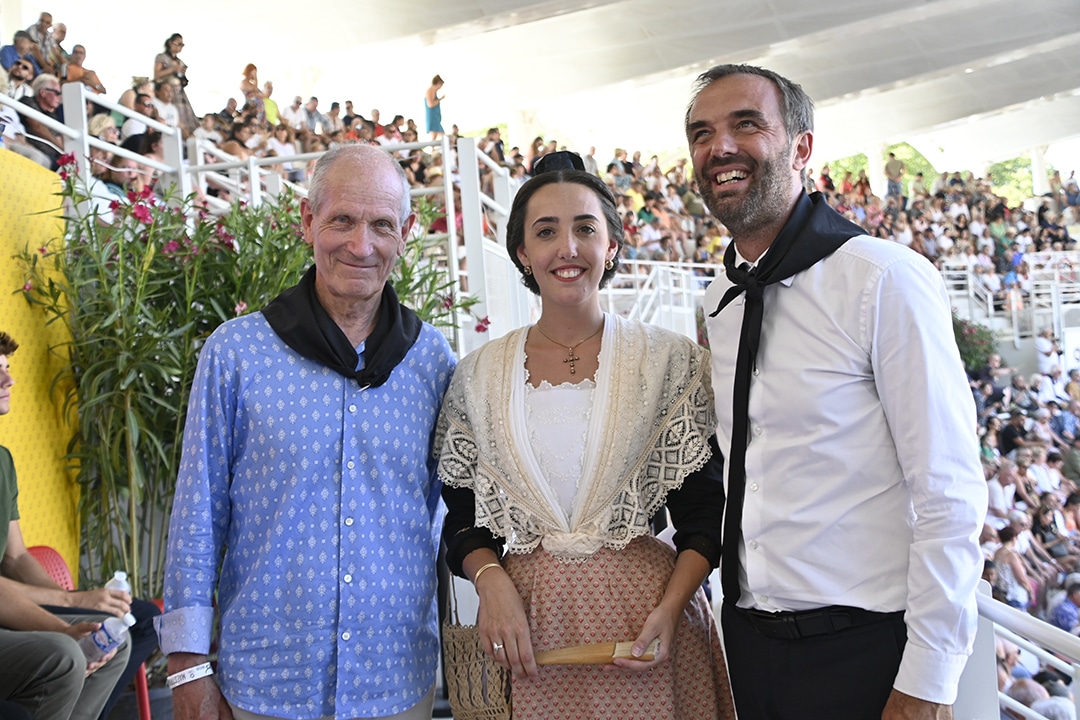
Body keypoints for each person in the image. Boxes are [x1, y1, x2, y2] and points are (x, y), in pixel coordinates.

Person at [687, 64, 986, 718]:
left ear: (801, 147)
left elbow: (949, 489)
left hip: (867, 652)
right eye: (701, 133)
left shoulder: (885, 281)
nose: (719, 148)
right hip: (750, 646)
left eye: (746, 124)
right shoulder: (719, 301)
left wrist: (928, 680)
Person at [155, 144, 456, 720]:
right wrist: (188, 667)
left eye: (381, 225)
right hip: (267, 684)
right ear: (307, 220)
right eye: (341, 219)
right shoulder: (237, 354)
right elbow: (197, 516)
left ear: (407, 232)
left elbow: (448, 513)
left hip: (394, 681)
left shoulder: (432, 361)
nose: (360, 245)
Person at [436, 151, 735, 718]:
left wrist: (671, 609)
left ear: (612, 246)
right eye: (546, 231)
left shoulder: (669, 363)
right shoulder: (476, 376)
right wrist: (491, 582)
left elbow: (705, 514)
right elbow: (462, 517)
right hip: (526, 635)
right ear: (523, 253)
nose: (567, 248)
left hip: (649, 632)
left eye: (584, 229)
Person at [0, 331, 132, 720]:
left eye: (7, 370)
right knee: (63, 655)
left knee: (111, 641)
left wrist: (77, 611)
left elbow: (16, 556)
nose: (10, 381)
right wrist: (68, 613)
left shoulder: (3, 460)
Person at [153, 33, 195, 133]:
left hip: (179, 93)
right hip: (166, 90)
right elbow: (157, 75)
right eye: (178, 43)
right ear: (170, 43)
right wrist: (173, 69)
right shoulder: (162, 57)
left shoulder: (180, 61)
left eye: (182, 44)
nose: (180, 47)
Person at [424, 74, 445, 139]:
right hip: (432, 117)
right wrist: (440, 99)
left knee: (441, 135)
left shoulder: (433, 91)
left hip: (435, 117)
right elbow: (430, 104)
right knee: (435, 135)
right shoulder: (430, 91)